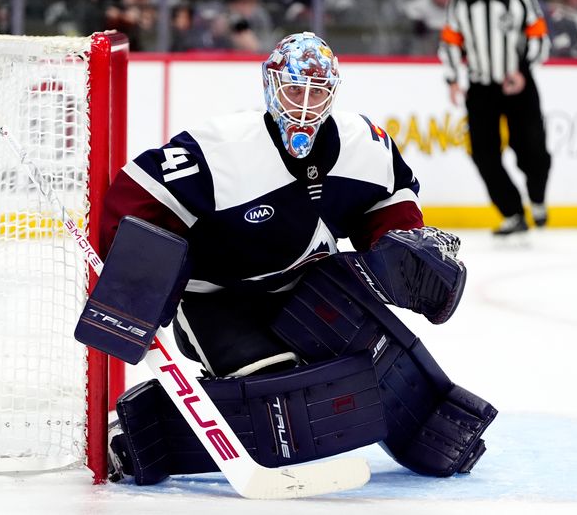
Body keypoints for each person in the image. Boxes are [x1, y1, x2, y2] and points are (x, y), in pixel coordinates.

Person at [97, 31, 496, 485]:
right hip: (218, 299)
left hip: (310, 284)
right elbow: (140, 196)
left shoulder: (364, 142)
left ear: (333, 94)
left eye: (317, 91)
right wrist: (142, 280)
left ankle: (428, 429)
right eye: (293, 89)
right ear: (270, 86)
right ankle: (143, 437)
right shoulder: (219, 148)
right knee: (280, 400)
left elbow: (388, 201)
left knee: (373, 360)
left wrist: (400, 245)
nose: (304, 104)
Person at [438, 0, 553, 235]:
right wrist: (453, 78)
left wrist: (523, 72)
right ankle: (513, 213)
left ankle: (537, 198)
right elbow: (450, 40)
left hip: (519, 85)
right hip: (481, 88)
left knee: (532, 148)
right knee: (483, 153)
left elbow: (539, 38)